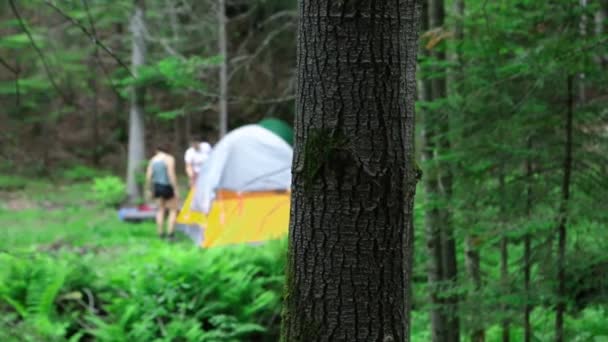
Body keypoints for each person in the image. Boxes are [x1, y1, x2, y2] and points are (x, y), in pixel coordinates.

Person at [145, 146, 180, 239]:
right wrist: (176, 188)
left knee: (160, 210)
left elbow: (148, 176)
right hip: (167, 186)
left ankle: (160, 233)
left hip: (157, 187)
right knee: (173, 210)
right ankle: (170, 234)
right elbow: (171, 174)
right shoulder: (169, 159)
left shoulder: (153, 160)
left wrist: (148, 189)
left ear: (157, 150)